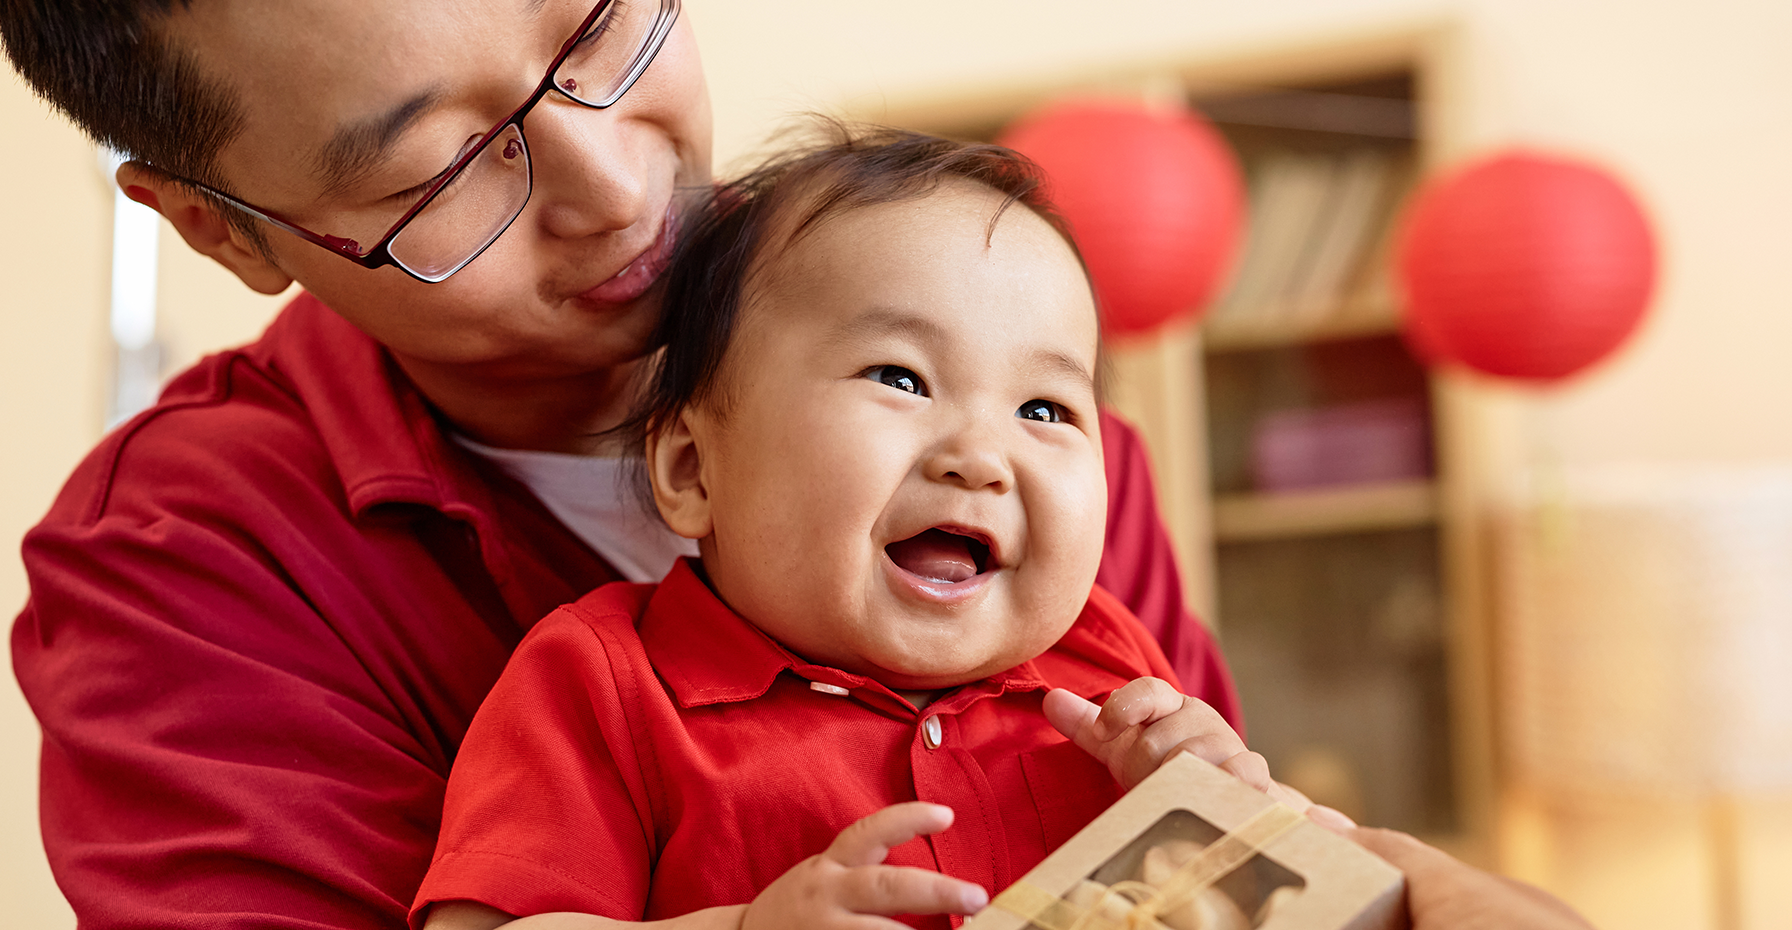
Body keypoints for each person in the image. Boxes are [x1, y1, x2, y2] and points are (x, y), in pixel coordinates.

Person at [0, 0, 1601, 926]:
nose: (619, 187)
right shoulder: (188, 579)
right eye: (443, 167)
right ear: (220, 228)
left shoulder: (1023, 437)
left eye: (605, 22)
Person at [413, 127, 1295, 930]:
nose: (980, 456)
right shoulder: (603, 683)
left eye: (1044, 406)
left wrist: (1215, 808)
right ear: (691, 468)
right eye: (901, 378)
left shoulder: (1112, 672)